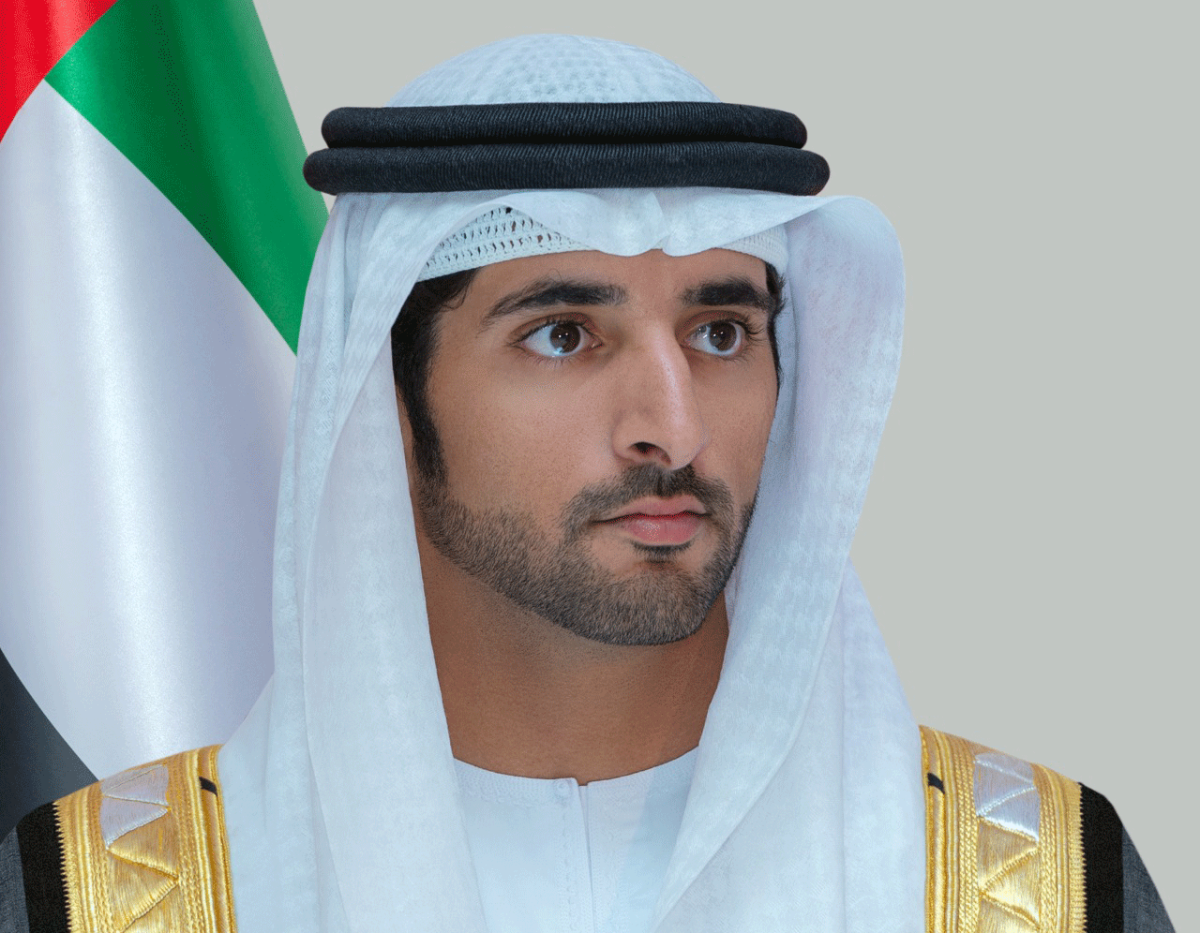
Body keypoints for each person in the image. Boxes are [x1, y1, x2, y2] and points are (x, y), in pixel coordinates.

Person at [0, 34, 1173, 933]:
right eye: (563, 336)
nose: (673, 429)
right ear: (383, 406)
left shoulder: (1033, 887)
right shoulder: (104, 898)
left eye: (721, 334)